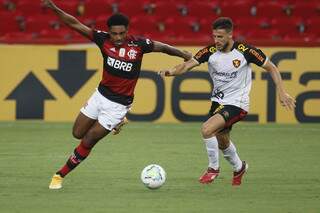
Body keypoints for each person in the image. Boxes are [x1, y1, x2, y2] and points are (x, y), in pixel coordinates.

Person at [43, 0, 192, 189]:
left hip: (118, 105)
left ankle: (59, 175)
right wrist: (55, 8)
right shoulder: (102, 39)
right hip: (100, 95)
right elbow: (74, 24)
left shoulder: (139, 44)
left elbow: (162, 47)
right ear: (109, 31)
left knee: (88, 140)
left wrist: (183, 54)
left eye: (122, 33)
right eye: (114, 33)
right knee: (77, 133)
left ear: (127, 30)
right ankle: (120, 123)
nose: (118, 37)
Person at [159, 17, 296, 186]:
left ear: (231, 35)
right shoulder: (209, 51)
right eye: (214, 36)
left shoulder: (246, 51)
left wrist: (281, 92)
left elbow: (272, 67)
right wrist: (170, 72)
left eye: (220, 37)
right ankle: (239, 167)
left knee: (206, 129)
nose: (216, 41)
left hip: (238, 104)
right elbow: (187, 65)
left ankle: (213, 169)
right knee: (222, 140)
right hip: (218, 103)